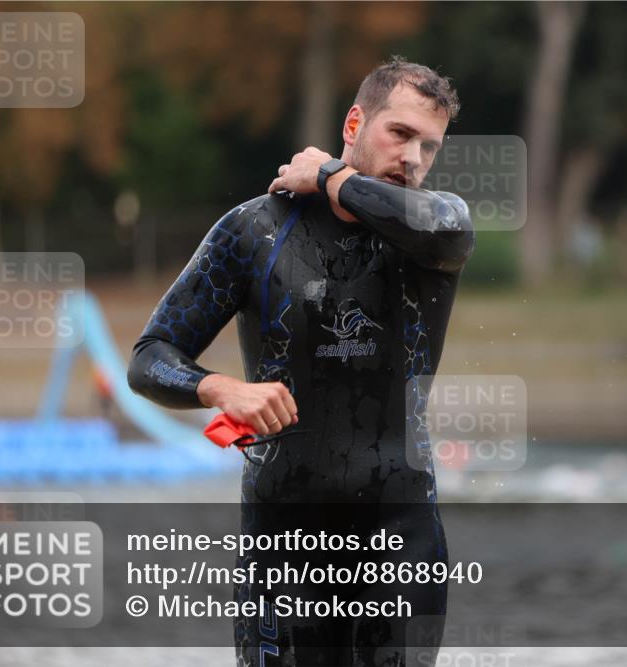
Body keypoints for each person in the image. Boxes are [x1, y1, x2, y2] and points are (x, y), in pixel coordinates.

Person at [127, 56, 474, 666]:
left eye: (429, 146)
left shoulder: (435, 229)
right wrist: (216, 389)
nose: (413, 158)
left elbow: (442, 233)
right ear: (354, 122)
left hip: (400, 537)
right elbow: (149, 357)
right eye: (399, 134)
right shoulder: (253, 231)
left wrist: (332, 177)